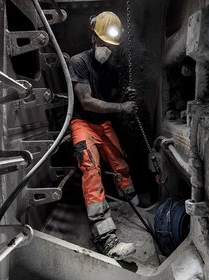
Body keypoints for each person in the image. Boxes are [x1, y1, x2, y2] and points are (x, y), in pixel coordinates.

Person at [68, 11, 138, 260]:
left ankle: (132, 205)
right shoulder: (79, 62)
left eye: (110, 45)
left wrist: (123, 99)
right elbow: (86, 102)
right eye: (102, 42)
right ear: (93, 38)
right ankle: (106, 237)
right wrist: (121, 108)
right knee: (91, 169)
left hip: (103, 123)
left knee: (120, 162)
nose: (106, 48)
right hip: (83, 123)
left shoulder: (111, 68)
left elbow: (109, 100)